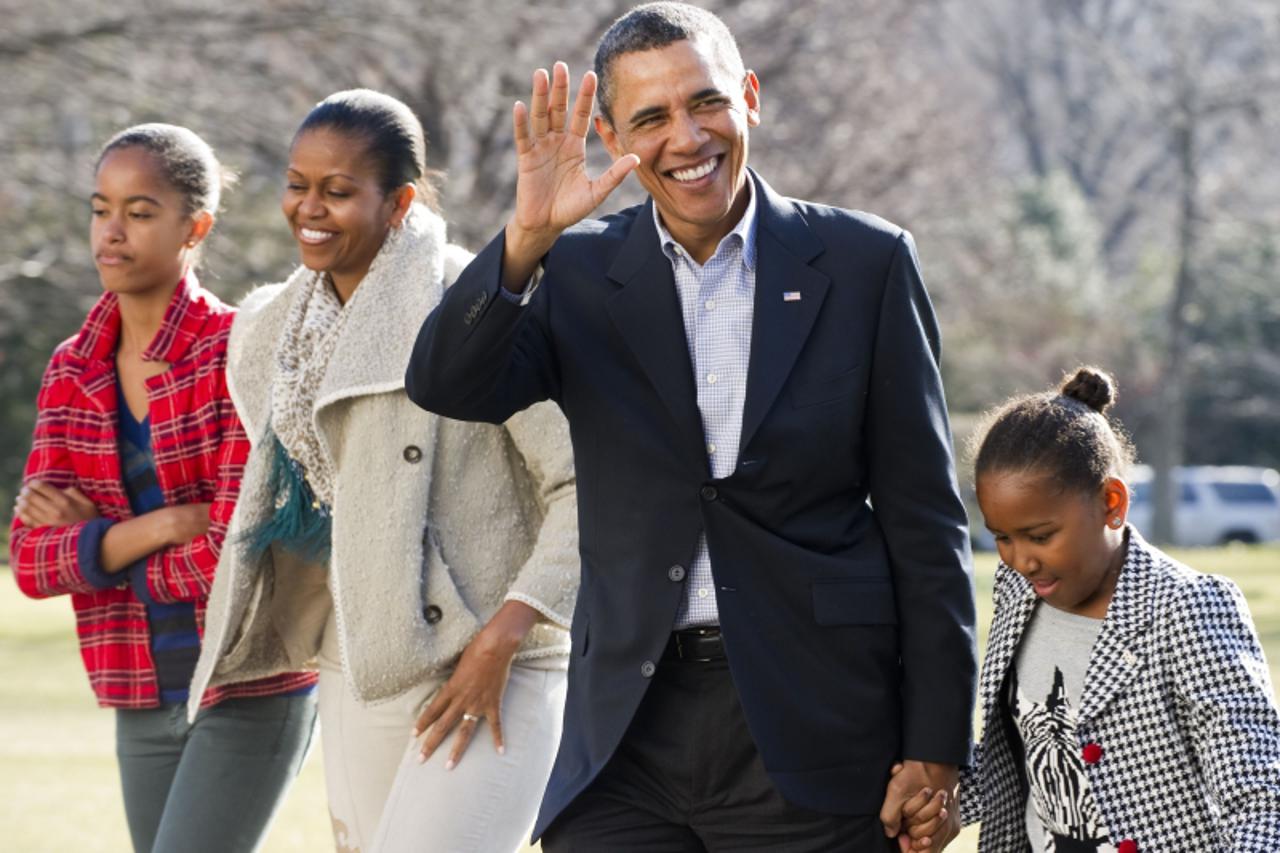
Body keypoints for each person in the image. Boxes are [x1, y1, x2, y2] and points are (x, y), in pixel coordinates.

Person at [405, 3, 976, 849]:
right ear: (610, 134)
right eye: (650, 118)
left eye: (705, 102)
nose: (686, 137)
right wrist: (526, 237)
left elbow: (926, 522)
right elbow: (448, 382)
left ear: (749, 95)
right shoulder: (576, 267)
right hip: (626, 736)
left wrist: (935, 746)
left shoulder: (867, 263)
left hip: (813, 726)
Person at [188, 89, 579, 853]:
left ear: (399, 202)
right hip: (362, 654)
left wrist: (504, 635)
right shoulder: (271, 333)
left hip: (502, 658)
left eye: (338, 191)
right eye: (298, 184)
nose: (309, 207)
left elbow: (584, 484)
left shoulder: (483, 302)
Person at [9, 124, 317, 853]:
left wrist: (101, 551)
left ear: (196, 226)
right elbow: (30, 561)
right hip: (136, 684)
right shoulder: (70, 368)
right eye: (100, 208)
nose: (111, 232)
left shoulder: (239, 354)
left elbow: (234, 555)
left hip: (249, 680)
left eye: (140, 212)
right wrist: (161, 526)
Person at [903, 367, 1280, 851]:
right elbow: (1024, 753)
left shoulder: (1188, 606)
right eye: (1002, 538)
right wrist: (940, 803)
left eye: (1040, 536)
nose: (1021, 559)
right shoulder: (1019, 592)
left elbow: (1258, 795)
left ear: (1111, 502)